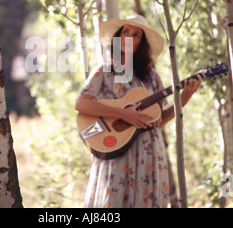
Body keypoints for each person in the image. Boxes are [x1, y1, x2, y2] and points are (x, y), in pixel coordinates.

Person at [75, 15, 201, 208]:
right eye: (125, 32)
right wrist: (123, 114)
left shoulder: (152, 77)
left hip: (150, 154)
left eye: (136, 35)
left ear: (141, 43)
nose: (129, 37)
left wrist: (183, 100)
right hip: (117, 152)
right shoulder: (104, 72)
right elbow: (81, 104)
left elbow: (157, 121)